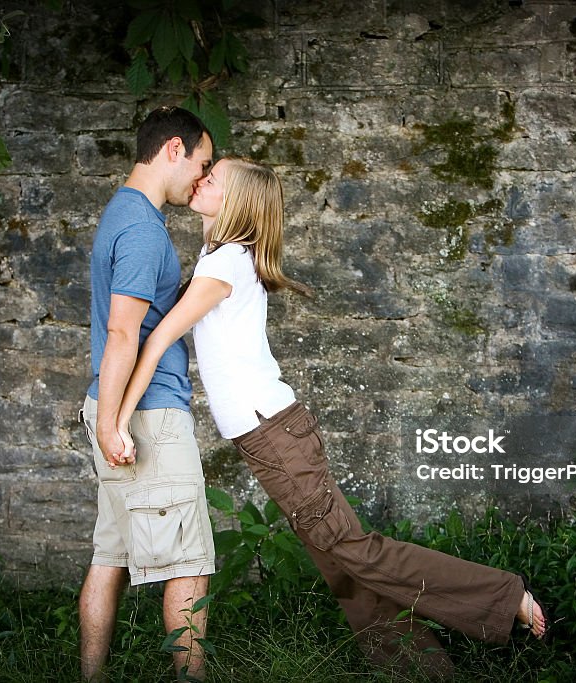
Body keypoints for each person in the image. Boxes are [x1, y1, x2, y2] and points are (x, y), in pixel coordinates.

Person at [112, 157, 550, 678]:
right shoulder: (220, 256)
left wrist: (116, 418)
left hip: (274, 435)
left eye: (215, 178)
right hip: (270, 436)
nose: (202, 180)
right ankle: (423, 671)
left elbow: (159, 338)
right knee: (341, 564)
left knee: (356, 552)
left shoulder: (224, 263)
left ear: (237, 203)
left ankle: (504, 596)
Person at [78, 106, 215, 682]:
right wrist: (114, 425)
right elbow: (121, 331)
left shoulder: (124, 213)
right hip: (148, 416)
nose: (200, 180)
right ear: (174, 149)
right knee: (189, 563)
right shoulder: (140, 229)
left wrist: (106, 419)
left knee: (109, 559)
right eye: (201, 164)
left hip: (120, 410)